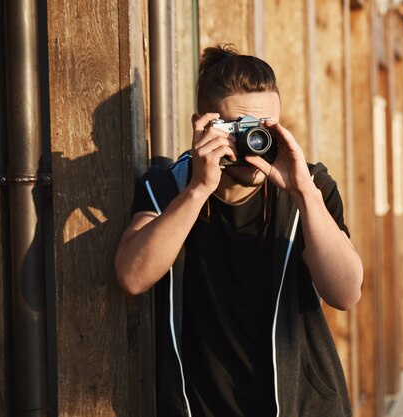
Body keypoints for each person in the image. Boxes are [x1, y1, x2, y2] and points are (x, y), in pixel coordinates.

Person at [115, 44, 363, 417]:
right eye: (237, 128)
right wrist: (198, 189)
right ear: (202, 124)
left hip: (302, 406)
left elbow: (345, 293)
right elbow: (132, 277)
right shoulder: (169, 187)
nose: (252, 143)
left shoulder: (309, 186)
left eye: (263, 129)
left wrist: (303, 194)